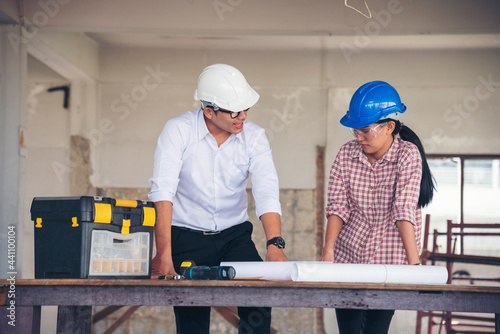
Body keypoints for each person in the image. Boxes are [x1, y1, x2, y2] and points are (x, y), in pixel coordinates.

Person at [148, 63, 288, 334]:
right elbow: (163, 191)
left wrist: (275, 244)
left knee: (257, 300)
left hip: (233, 237)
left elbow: (266, 191)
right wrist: (163, 254)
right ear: (209, 111)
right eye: (235, 111)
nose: (243, 116)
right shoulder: (178, 130)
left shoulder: (255, 137)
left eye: (246, 108)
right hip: (185, 237)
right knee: (192, 319)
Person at [320, 81, 435, 334]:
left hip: (389, 263)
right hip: (348, 257)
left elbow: (403, 209)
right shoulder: (346, 154)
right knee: (349, 330)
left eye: (365, 131)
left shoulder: (408, 154)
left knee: (375, 330)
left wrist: (415, 268)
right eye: (355, 132)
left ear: (389, 127)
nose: (359, 138)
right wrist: (328, 251)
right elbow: (338, 206)